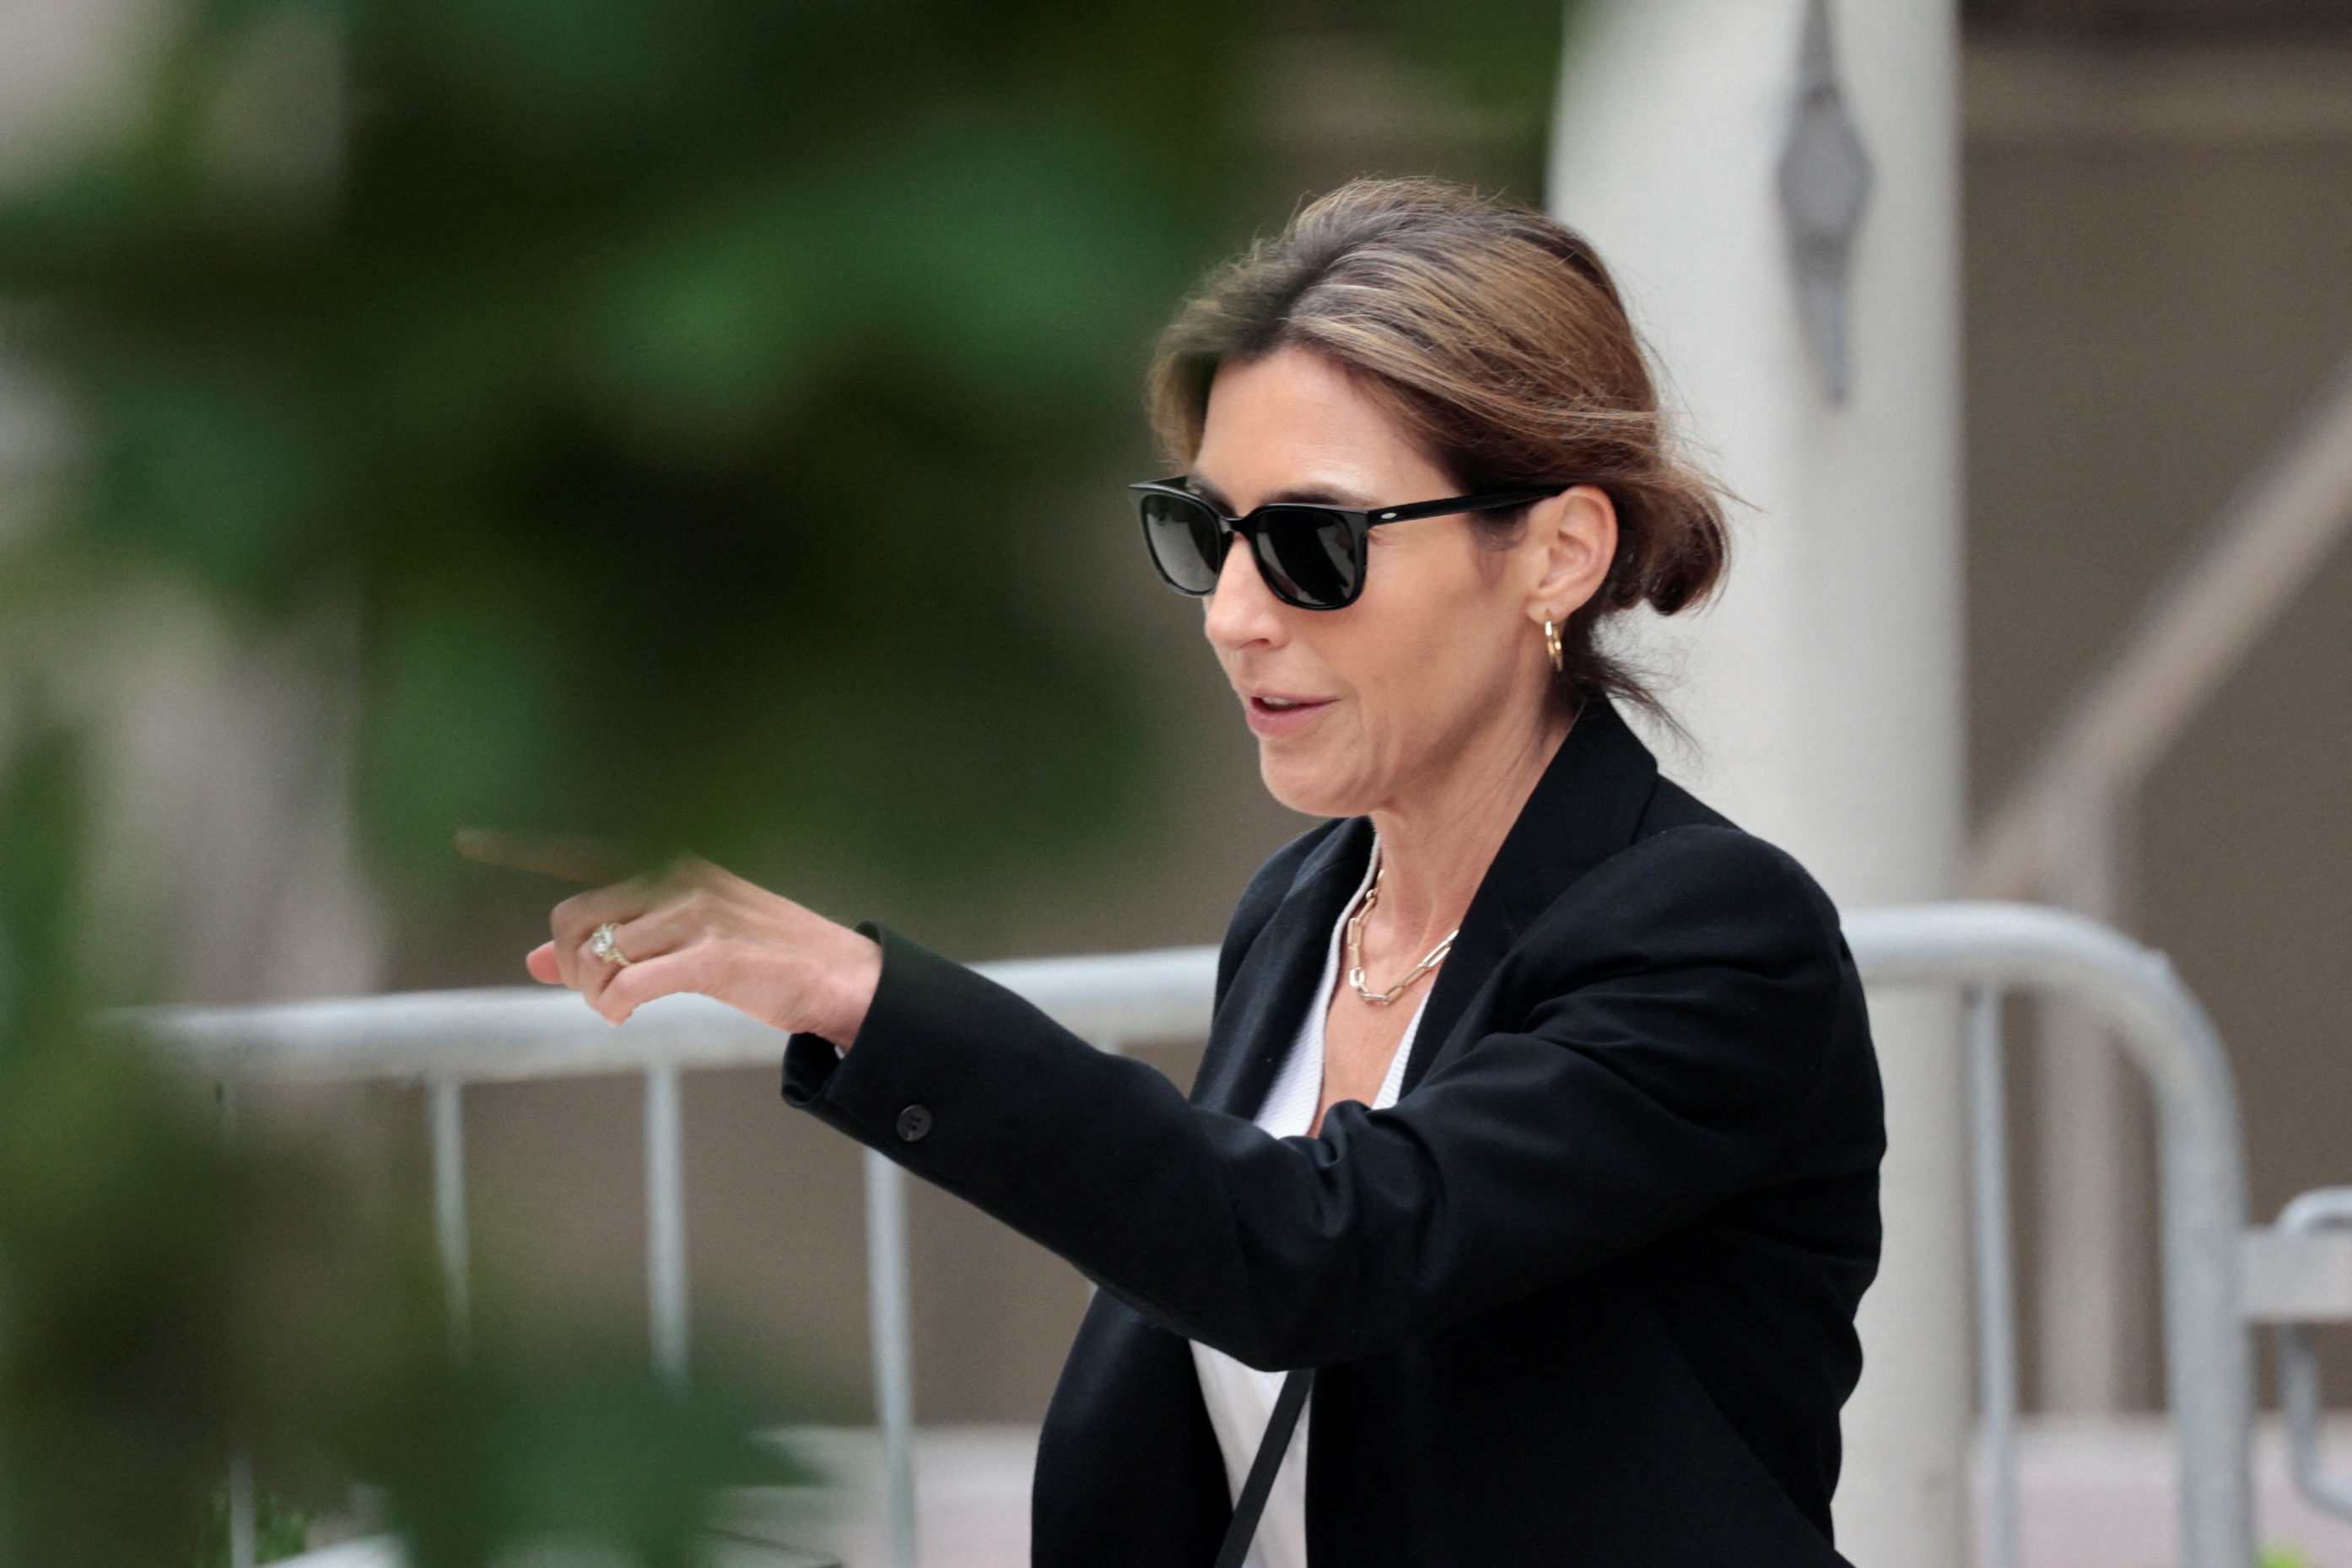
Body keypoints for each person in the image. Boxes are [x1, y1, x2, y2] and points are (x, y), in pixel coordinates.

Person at [529, 178, 1884, 1568]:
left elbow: (1313, 1251)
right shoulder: (1306, 912)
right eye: (1207, 533)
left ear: (1556, 552)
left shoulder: (1712, 935)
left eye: (1314, 545)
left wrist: (855, 993)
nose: (1235, 616)